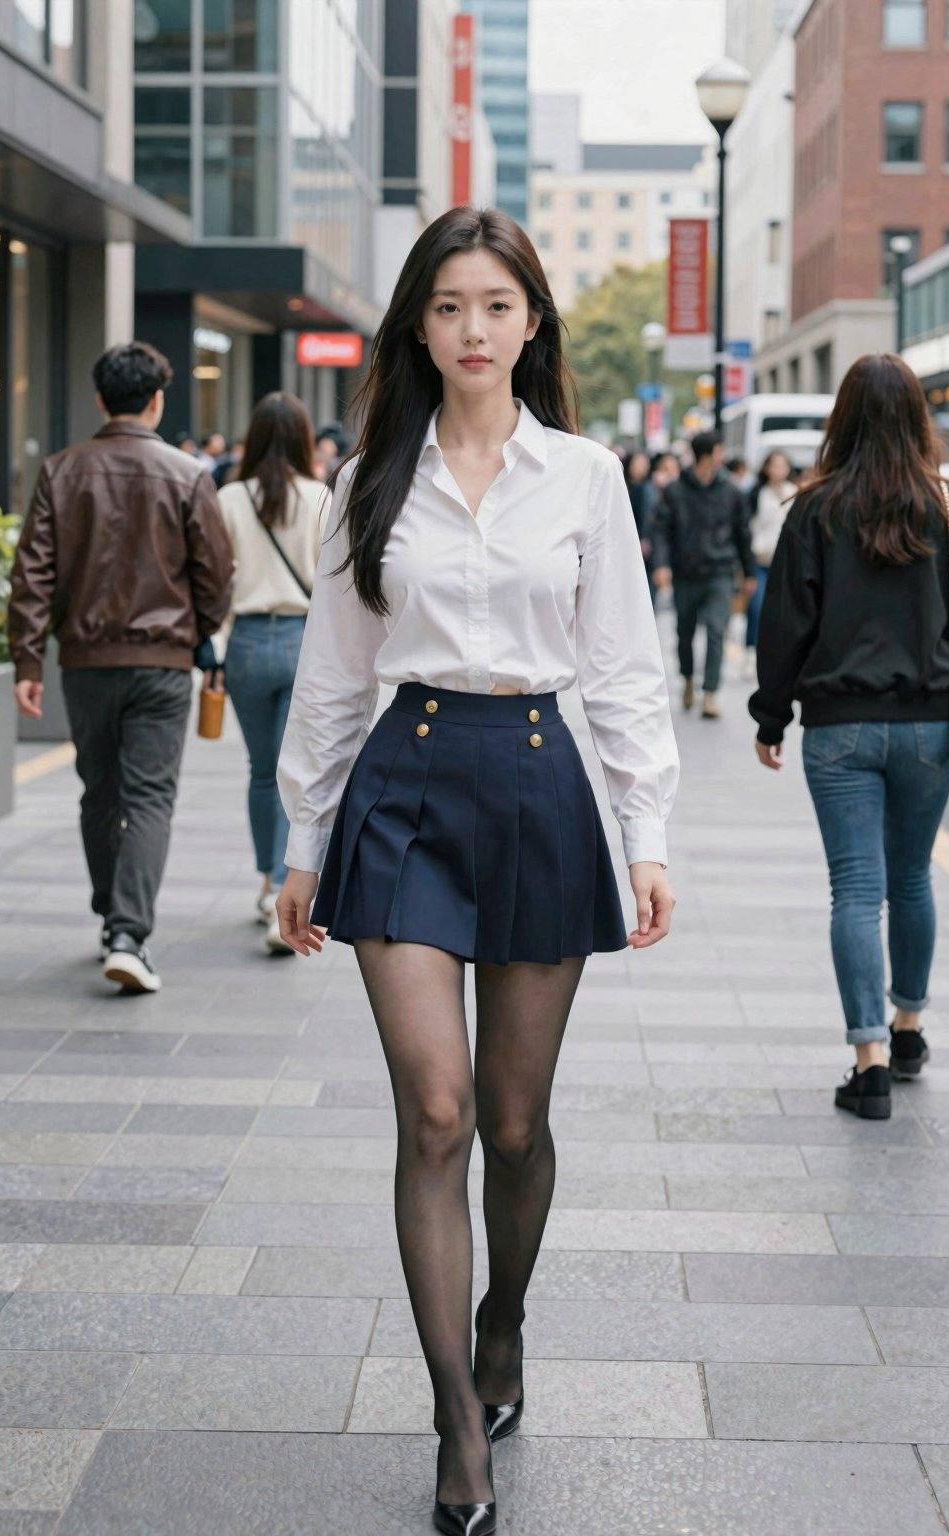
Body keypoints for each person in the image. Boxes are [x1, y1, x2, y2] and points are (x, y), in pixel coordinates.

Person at [274, 206, 679, 1535]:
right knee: (436, 1114)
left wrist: (649, 833)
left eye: (494, 306)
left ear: (531, 322)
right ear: (418, 325)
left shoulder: (585, 477)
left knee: (513, 1121)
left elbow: (620, 663)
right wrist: (303, 839)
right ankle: (457, 1415)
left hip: (538, 785)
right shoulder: (371, 482)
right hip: (404, 787)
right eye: (447, 307)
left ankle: (505, 1321)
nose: (471, 331)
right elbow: (333, 675)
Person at [750, 354, 949, 1121]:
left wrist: (770, 715)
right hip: (929, 726)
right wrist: (941, 651)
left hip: (839, 728)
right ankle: (910, 1027)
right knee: (912, 879)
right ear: (918, 418)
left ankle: (870, 1060)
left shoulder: (814, 510)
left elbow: (784, 623)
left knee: (855, 889)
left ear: (841, 419)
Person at [7, 342, 234, 994]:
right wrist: (200, 631)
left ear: (101, 400)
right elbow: (215, 576)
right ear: (157, 400)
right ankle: (128, 933)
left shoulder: (60, 471)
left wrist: (28, 658)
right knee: (151, 797)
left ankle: (112, 912)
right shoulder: (188, 474)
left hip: (84, 663)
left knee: (98, 790)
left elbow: (33, 575)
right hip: (163, 664)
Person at [213, 394, 327, 954]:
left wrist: (212, 647)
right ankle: (285, 886)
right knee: (296, 771)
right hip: (303, 642)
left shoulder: (230, 498)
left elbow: (216, 583)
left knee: (262, 770)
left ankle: (268, 883)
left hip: (248, 643)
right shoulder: (320, 497)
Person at [652, 430, 757, 719]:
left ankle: (710, 693)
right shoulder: (675, 490)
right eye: (720, 451)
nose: (723, 456)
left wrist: (748, 571)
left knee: (716, 631)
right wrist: (661, 565)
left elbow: (742, 534)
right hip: (686, 573)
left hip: (720, 573)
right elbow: (661, 531)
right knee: (684, 633)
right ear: (709, 454)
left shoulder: (732, 491)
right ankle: (687, 679)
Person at [744, 450, 797, 673]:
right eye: (774, 465)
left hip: (784, 561)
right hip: (760, 560)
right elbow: (747, 527)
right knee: (757, 607)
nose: (778, 470)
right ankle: (750, 652)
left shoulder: (794, 492)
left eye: (782, 465)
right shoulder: (757, 493)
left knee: (782, 609)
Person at [623, 449, 656, 605]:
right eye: (638, 463)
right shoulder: (623, 485)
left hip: (643, 543)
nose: (641, 467)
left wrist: (645, 538)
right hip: (625, 541)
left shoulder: (649, 488)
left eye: (644, 463)